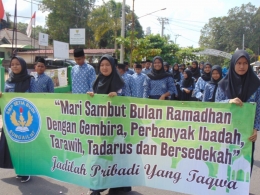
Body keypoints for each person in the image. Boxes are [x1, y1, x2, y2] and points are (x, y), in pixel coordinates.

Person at [87, 54, 131, 195]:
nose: (104, 68)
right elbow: (95, 103)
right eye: (102, 65)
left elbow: (130, 101)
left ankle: (118, 186)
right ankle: (96, 187)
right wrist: (91, 96)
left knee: (116, 157)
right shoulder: (97, 81)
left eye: (107, 65)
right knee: (100, 157)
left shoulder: (121, 83)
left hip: (117, 128)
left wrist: (119, 98)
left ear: (113, 66)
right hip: (101, 127)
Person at [215, 50, 260, 174]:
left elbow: (259, 108)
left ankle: (242, 190)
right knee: (226, 159)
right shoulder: (223, 85)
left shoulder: (256, 85)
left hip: (246, 131)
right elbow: (216, 104)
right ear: (233, 64)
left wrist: (255, 128)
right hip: (227, 129)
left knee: (244, 161)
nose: (242, 66)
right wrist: (229, 101)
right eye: (239, 63)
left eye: (245, 63)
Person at [0, 56, 36, 183]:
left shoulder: (30, 80)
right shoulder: (9, 81)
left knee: (25, 145)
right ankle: (19, 168)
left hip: (27, 119)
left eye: (17, 64)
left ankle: (26, 170)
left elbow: (37, 98)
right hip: (12, 119)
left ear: (23, 65)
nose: (14, 66)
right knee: (14, 145)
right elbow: (6, 100)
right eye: (12, 64)